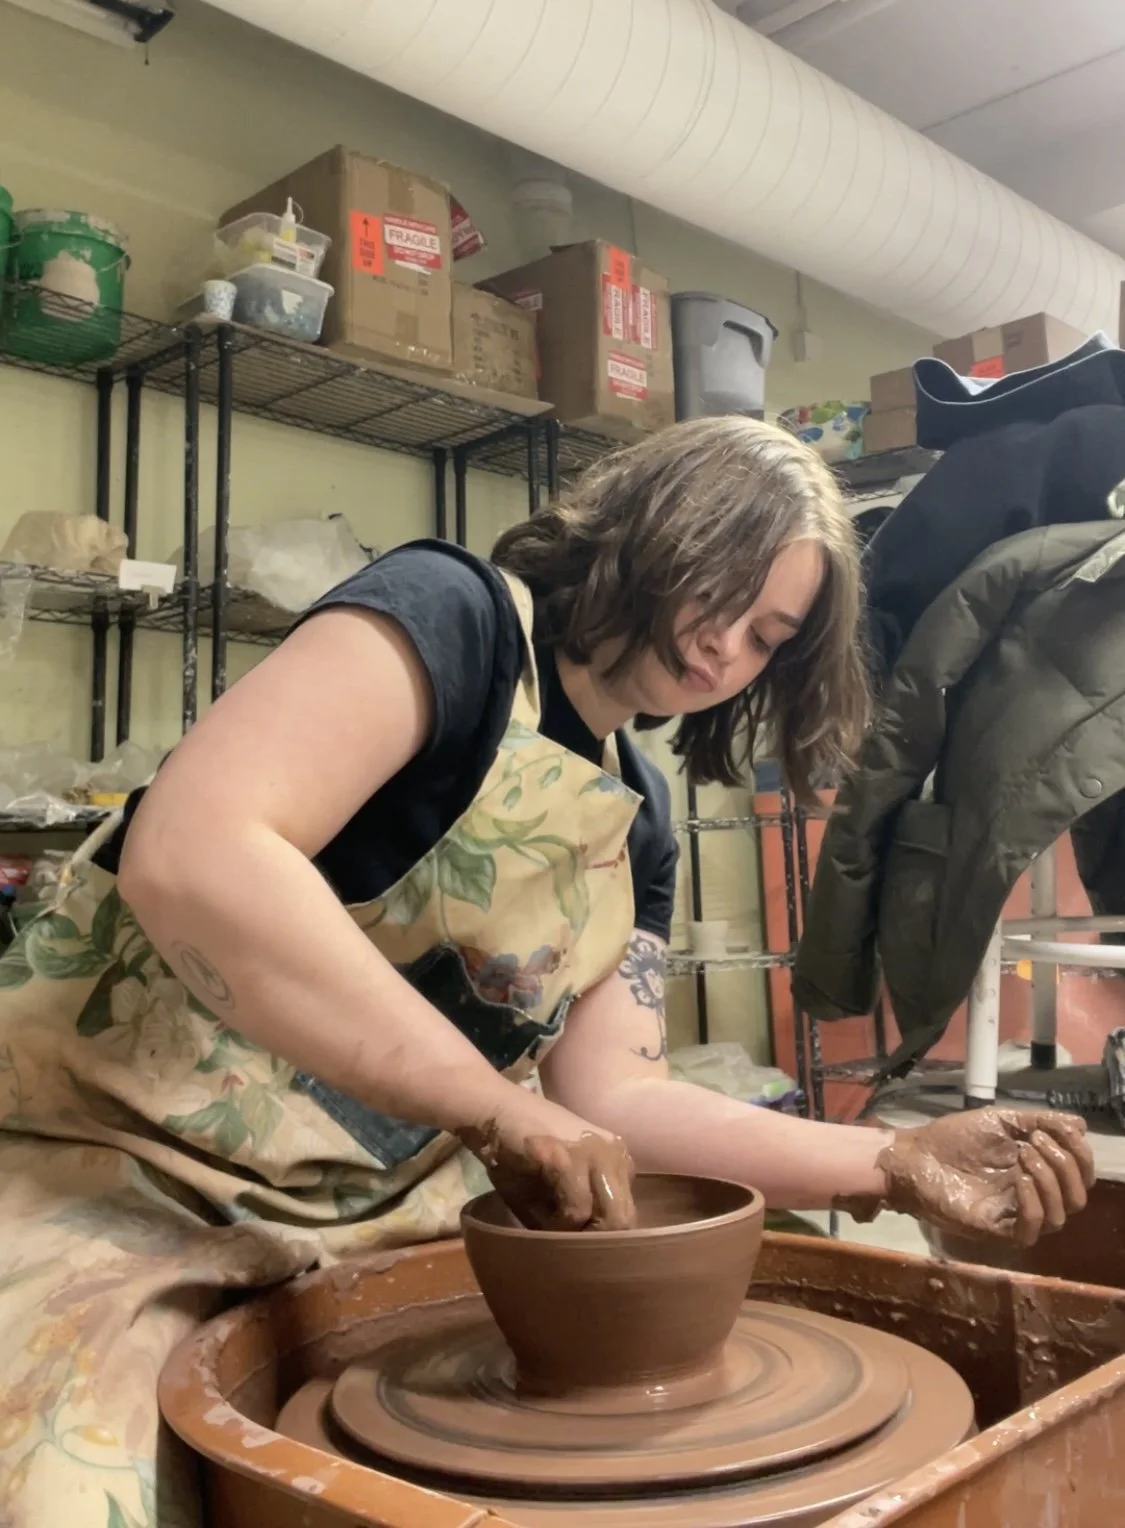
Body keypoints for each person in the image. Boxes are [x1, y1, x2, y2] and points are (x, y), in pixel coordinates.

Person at [0, 416, 1093, 1528]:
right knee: (71, 1490)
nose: (724, 648)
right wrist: (488, 1107)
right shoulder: (451, 617)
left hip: (363, 1213)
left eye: (765, 637)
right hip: (114, 1167)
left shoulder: (641, 825)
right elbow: (195, 849)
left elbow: (616, 1096)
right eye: (716, 588)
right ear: (648, 531)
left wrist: (891, 1159)